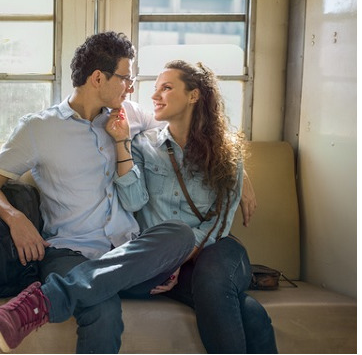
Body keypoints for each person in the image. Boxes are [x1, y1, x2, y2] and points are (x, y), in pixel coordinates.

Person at [0, 32, 256, 353]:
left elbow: (198, 128)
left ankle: (44, 301)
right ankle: (52, 297)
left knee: (177, 235)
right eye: (126, 78)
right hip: (70, 254)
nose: (132, 87)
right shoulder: (38, 129)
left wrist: (239, 174)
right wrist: (15, 218)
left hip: (130, 254)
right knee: (104, 312)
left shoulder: (132, 115)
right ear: (97, 78)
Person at [107, 60, 278, 353]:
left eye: (167, 87)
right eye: (156, 88)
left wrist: (181, 256)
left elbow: (220, 223)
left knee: (212, 278)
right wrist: (121, 143)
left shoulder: (226, 151)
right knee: (248, 312)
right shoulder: (143, 145)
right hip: (164, 256)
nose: (155, 95)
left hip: (216, 248)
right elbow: (134, 201)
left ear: (194, 95)